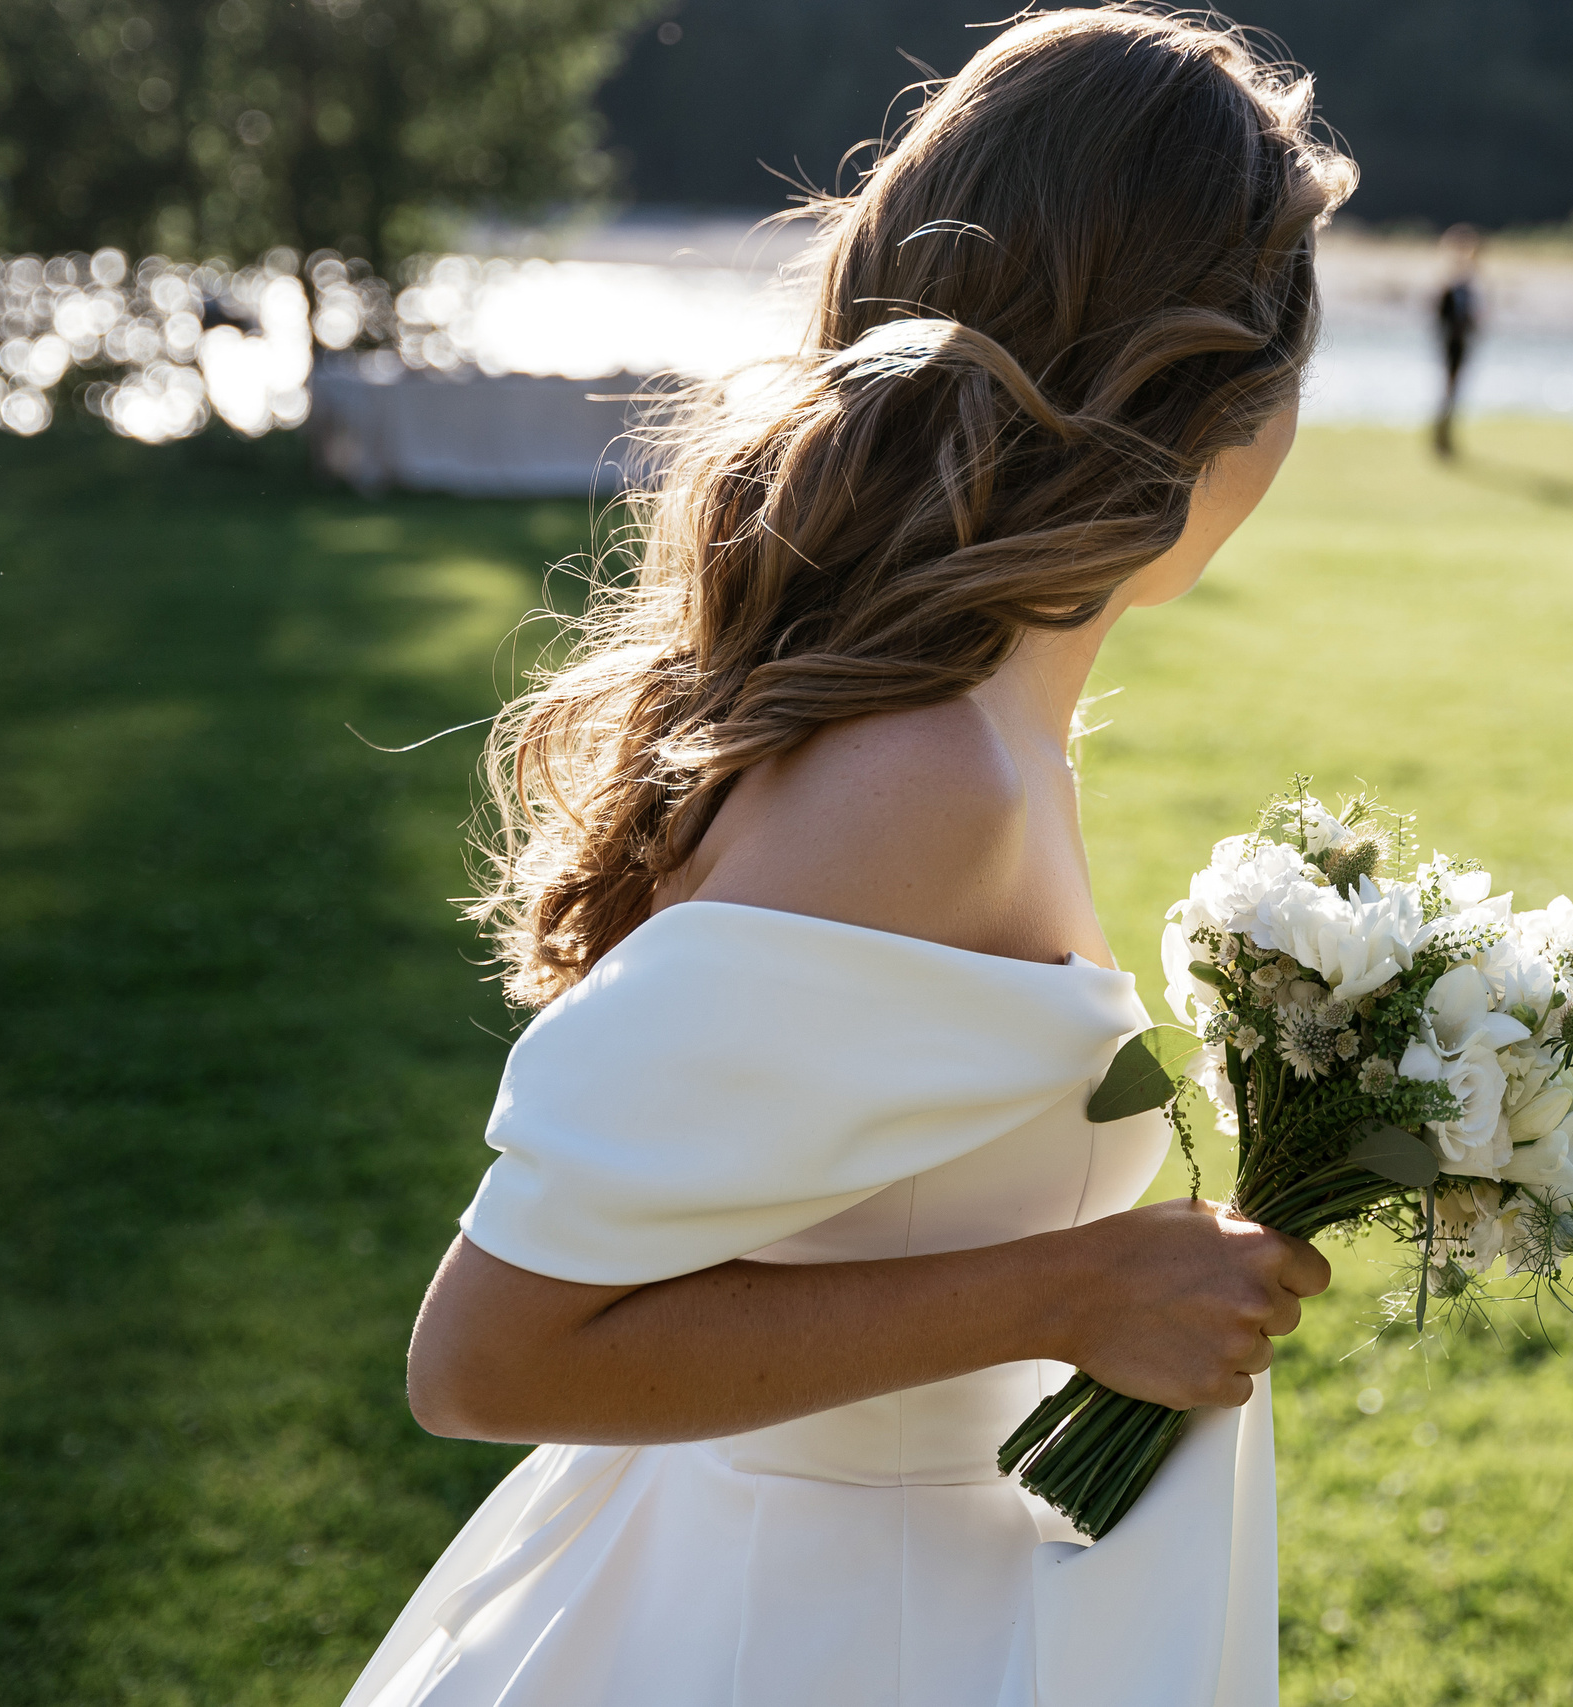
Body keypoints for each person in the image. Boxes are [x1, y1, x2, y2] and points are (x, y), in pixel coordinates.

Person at [342, 13, 1353, 1706]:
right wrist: (1083, 1282)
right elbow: (488, 1349)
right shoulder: (922, 774)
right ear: (1206, 386)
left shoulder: (989, 723)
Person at [1432, 222, 1481, 456]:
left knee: (1452, 391)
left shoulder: (1463, 287)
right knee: (1450, 391)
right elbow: (1444, 318)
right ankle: (1442, 440)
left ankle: (1444, 438)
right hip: (1453, 343)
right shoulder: (1453, 288)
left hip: (1458, 343)